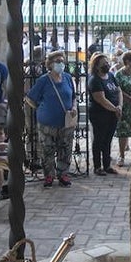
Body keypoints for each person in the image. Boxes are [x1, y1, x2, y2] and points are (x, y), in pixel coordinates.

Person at [26, 50, 74, 187]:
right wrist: (40, 108)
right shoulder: (43, 80)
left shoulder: (68, 78)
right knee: (47, 150)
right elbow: (30, 98)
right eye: (58, 61)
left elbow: (73, 97)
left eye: (62, 61)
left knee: (65, 149)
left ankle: (63, 174)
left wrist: (74, 107)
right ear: (50, 64)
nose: (61, 64)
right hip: (47, 123)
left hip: (65, 122)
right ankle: (49, 175)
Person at [87, 53, 121, 175]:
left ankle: (107, 165)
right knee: (99, 140)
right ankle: (97, 166)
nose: (107, 65)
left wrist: (119, 106)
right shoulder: (94, 80)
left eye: (107, 62)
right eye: (104, 64)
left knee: (108, 140)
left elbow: (118, 90)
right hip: (99, 114)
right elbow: (101, 99)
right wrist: (115, 109)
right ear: (96, 66)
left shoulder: (111, 76)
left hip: (112, 114)